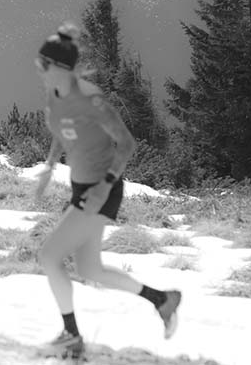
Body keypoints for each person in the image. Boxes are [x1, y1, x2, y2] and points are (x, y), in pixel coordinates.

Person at [32, 22, 181, 358]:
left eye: (42, 64)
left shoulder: (91, 99)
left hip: (101, 189)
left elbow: (126, 143)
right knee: (89, 269)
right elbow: (62, 129)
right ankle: (163, 300)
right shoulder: (54, 93)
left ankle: (71, 336)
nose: (38, 70)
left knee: (50, 256)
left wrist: (105, 186)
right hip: (82, 186)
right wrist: (50, 167)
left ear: (59, 67)